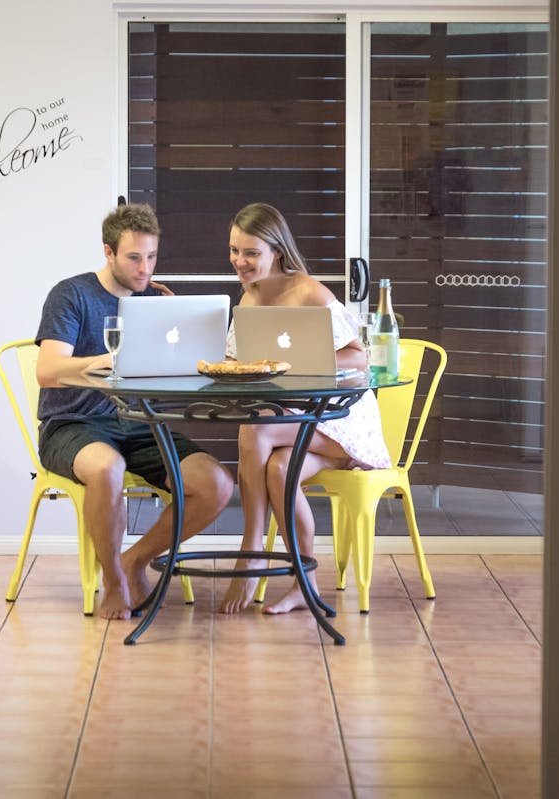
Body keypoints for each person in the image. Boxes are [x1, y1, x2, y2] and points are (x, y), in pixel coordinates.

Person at [36, 203, 234, 620]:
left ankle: (134, 561)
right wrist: (101, 361)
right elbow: (48, 371)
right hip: (73, 424)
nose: (145, 268)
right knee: (106, 469)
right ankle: (111, 580)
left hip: (141, 425)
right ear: (108, 252)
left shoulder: (155, 301)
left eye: (152, 257)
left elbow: (175, 372)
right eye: (133, 258)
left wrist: (183, 339)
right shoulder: (71, 294)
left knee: (216, 484)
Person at [217, 202, 391, 615]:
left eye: (251, 253)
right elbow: (242, 360)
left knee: (255, 429)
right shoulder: (250, 295)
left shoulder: (311, 292)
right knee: (278, 471)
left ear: (276, 251)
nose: (240, 262)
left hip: (341, 420)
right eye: (234, 251)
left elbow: (359, 358)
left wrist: (297, 363)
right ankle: (304, 585)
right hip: (295, 422)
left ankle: (252, 547)